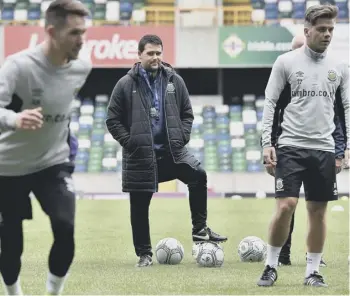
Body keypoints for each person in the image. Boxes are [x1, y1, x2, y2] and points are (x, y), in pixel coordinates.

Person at [106, 34, 227, 267]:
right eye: (150, 53)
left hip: (172, 153)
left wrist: (181, 137)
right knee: (139, 207)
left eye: (158, 53)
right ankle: (144, 254)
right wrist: (131, 143)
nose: (155, 57)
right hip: (141, 157)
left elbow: (187, 114)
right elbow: (113, 120)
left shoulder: (174, 80)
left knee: (198, 175)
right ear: (139, 55)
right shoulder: (125, 84)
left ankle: (200, 231)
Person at [0, 0, 91, 294]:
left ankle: (54, 292)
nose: (82, 40)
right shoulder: (18, 66)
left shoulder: (82, 68)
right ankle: (14, 292)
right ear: (51, 31)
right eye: (74, 33)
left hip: (52, 163)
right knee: (11, 246)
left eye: (84, 32)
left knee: (65, 226)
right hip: (8, 168)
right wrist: (14, 119)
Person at [258, 4, 349, 287]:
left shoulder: (341, 66)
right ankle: (271, 265)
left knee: (318, 211)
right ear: (307, 31)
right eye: (321, 29)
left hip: (323, 149)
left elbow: (346, 109)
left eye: (331, 29)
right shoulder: (285, 62)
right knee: (286, 205)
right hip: (290, 146)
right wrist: (267, 144)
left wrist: (345, 148)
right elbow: (271, 103)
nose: (327, 34)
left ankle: (312, 271)